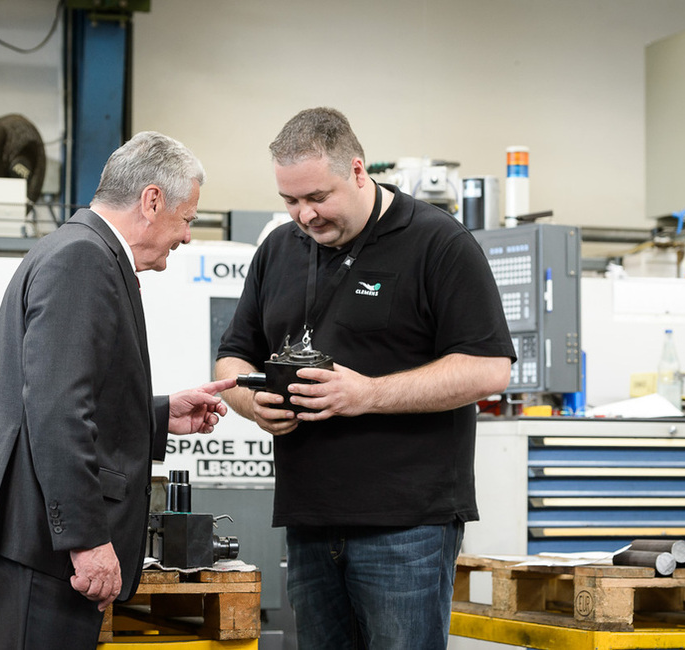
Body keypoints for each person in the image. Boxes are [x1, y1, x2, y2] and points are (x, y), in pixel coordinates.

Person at [215, 108, 516, 650]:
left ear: (357, 171)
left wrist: (369, 394)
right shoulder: (279, 251)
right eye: (290, 201)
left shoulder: (437, 243)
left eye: (317, 197)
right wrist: (249, 401)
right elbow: (233, 358)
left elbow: (489, 367)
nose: (304, 215)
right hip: (309, 521)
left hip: (407, 526)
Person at [0, 131, 236, 650]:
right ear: (152, 200)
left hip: (32, 541)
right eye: (188, 218)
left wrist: (157, 414)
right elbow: (58, 411)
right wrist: (85, 540)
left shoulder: (78, 249)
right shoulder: (85, 257)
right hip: (39, 545)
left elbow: (61, 395)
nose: (188, 236)